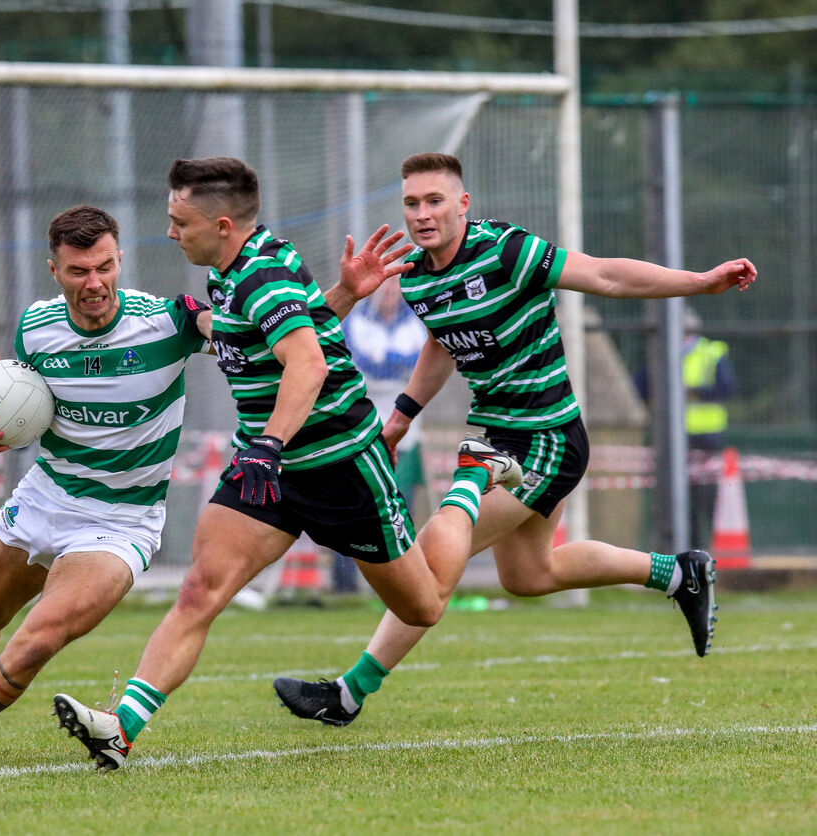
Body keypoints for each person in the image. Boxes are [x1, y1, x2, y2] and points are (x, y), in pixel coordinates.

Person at [51, 156, 523, 771]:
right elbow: (299, 334)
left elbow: (309, 365)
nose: (171, 232)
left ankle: (473, 474)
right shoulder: (237, 265)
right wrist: (347, 292)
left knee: (423, 606)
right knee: (200, 590)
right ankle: (122, 727)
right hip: (269, 470)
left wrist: (267, 445)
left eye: (180, 220)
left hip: (339, 465)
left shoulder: (259, 274)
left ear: (222, 224)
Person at [272, 151, 757, 727]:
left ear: (463, 203)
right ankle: (678, 573)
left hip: (547, 436)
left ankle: (347, 694)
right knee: (528, 576)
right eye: (411, 203)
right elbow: (443, 342)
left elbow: (604, 274)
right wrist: (402, 414)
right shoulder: (419, 277)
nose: (422, 214)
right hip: (502, 435)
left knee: (428, 561)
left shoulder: (503, 249)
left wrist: (698, 283)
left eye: (434, 200)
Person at [0, 205, 213, 774]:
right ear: (54, 270)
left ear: (120, 259)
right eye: (79, 271)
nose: (95, 283)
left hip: (121, 522)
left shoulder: (168, 321)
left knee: (35, 640)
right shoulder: (36, 326)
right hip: (45, 497)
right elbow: (21, 410)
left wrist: (335, 300)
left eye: (105, 267)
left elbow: (246, 332)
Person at [332, 276, 429, 594]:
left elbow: (419, 363)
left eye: (395, 287)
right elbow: (352, 360)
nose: (389, 292)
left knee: (400, 502)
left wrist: (384, 362)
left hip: (405, 426)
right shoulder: (357, 322)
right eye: (384, 286)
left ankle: (404, 583)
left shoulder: (414, 325)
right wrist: (387, 365)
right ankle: (344, 584)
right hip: (360, 422)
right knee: (347, 500)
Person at [635, 307, 736, 550]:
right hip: (670, 435)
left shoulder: (712, 352)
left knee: (704, 496)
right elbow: (640, 387)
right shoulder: (660, 353)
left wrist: (692, 392)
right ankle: (682, 546)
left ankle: (703, 547)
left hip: (704, 437)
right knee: (675, 496)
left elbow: (727, 388)